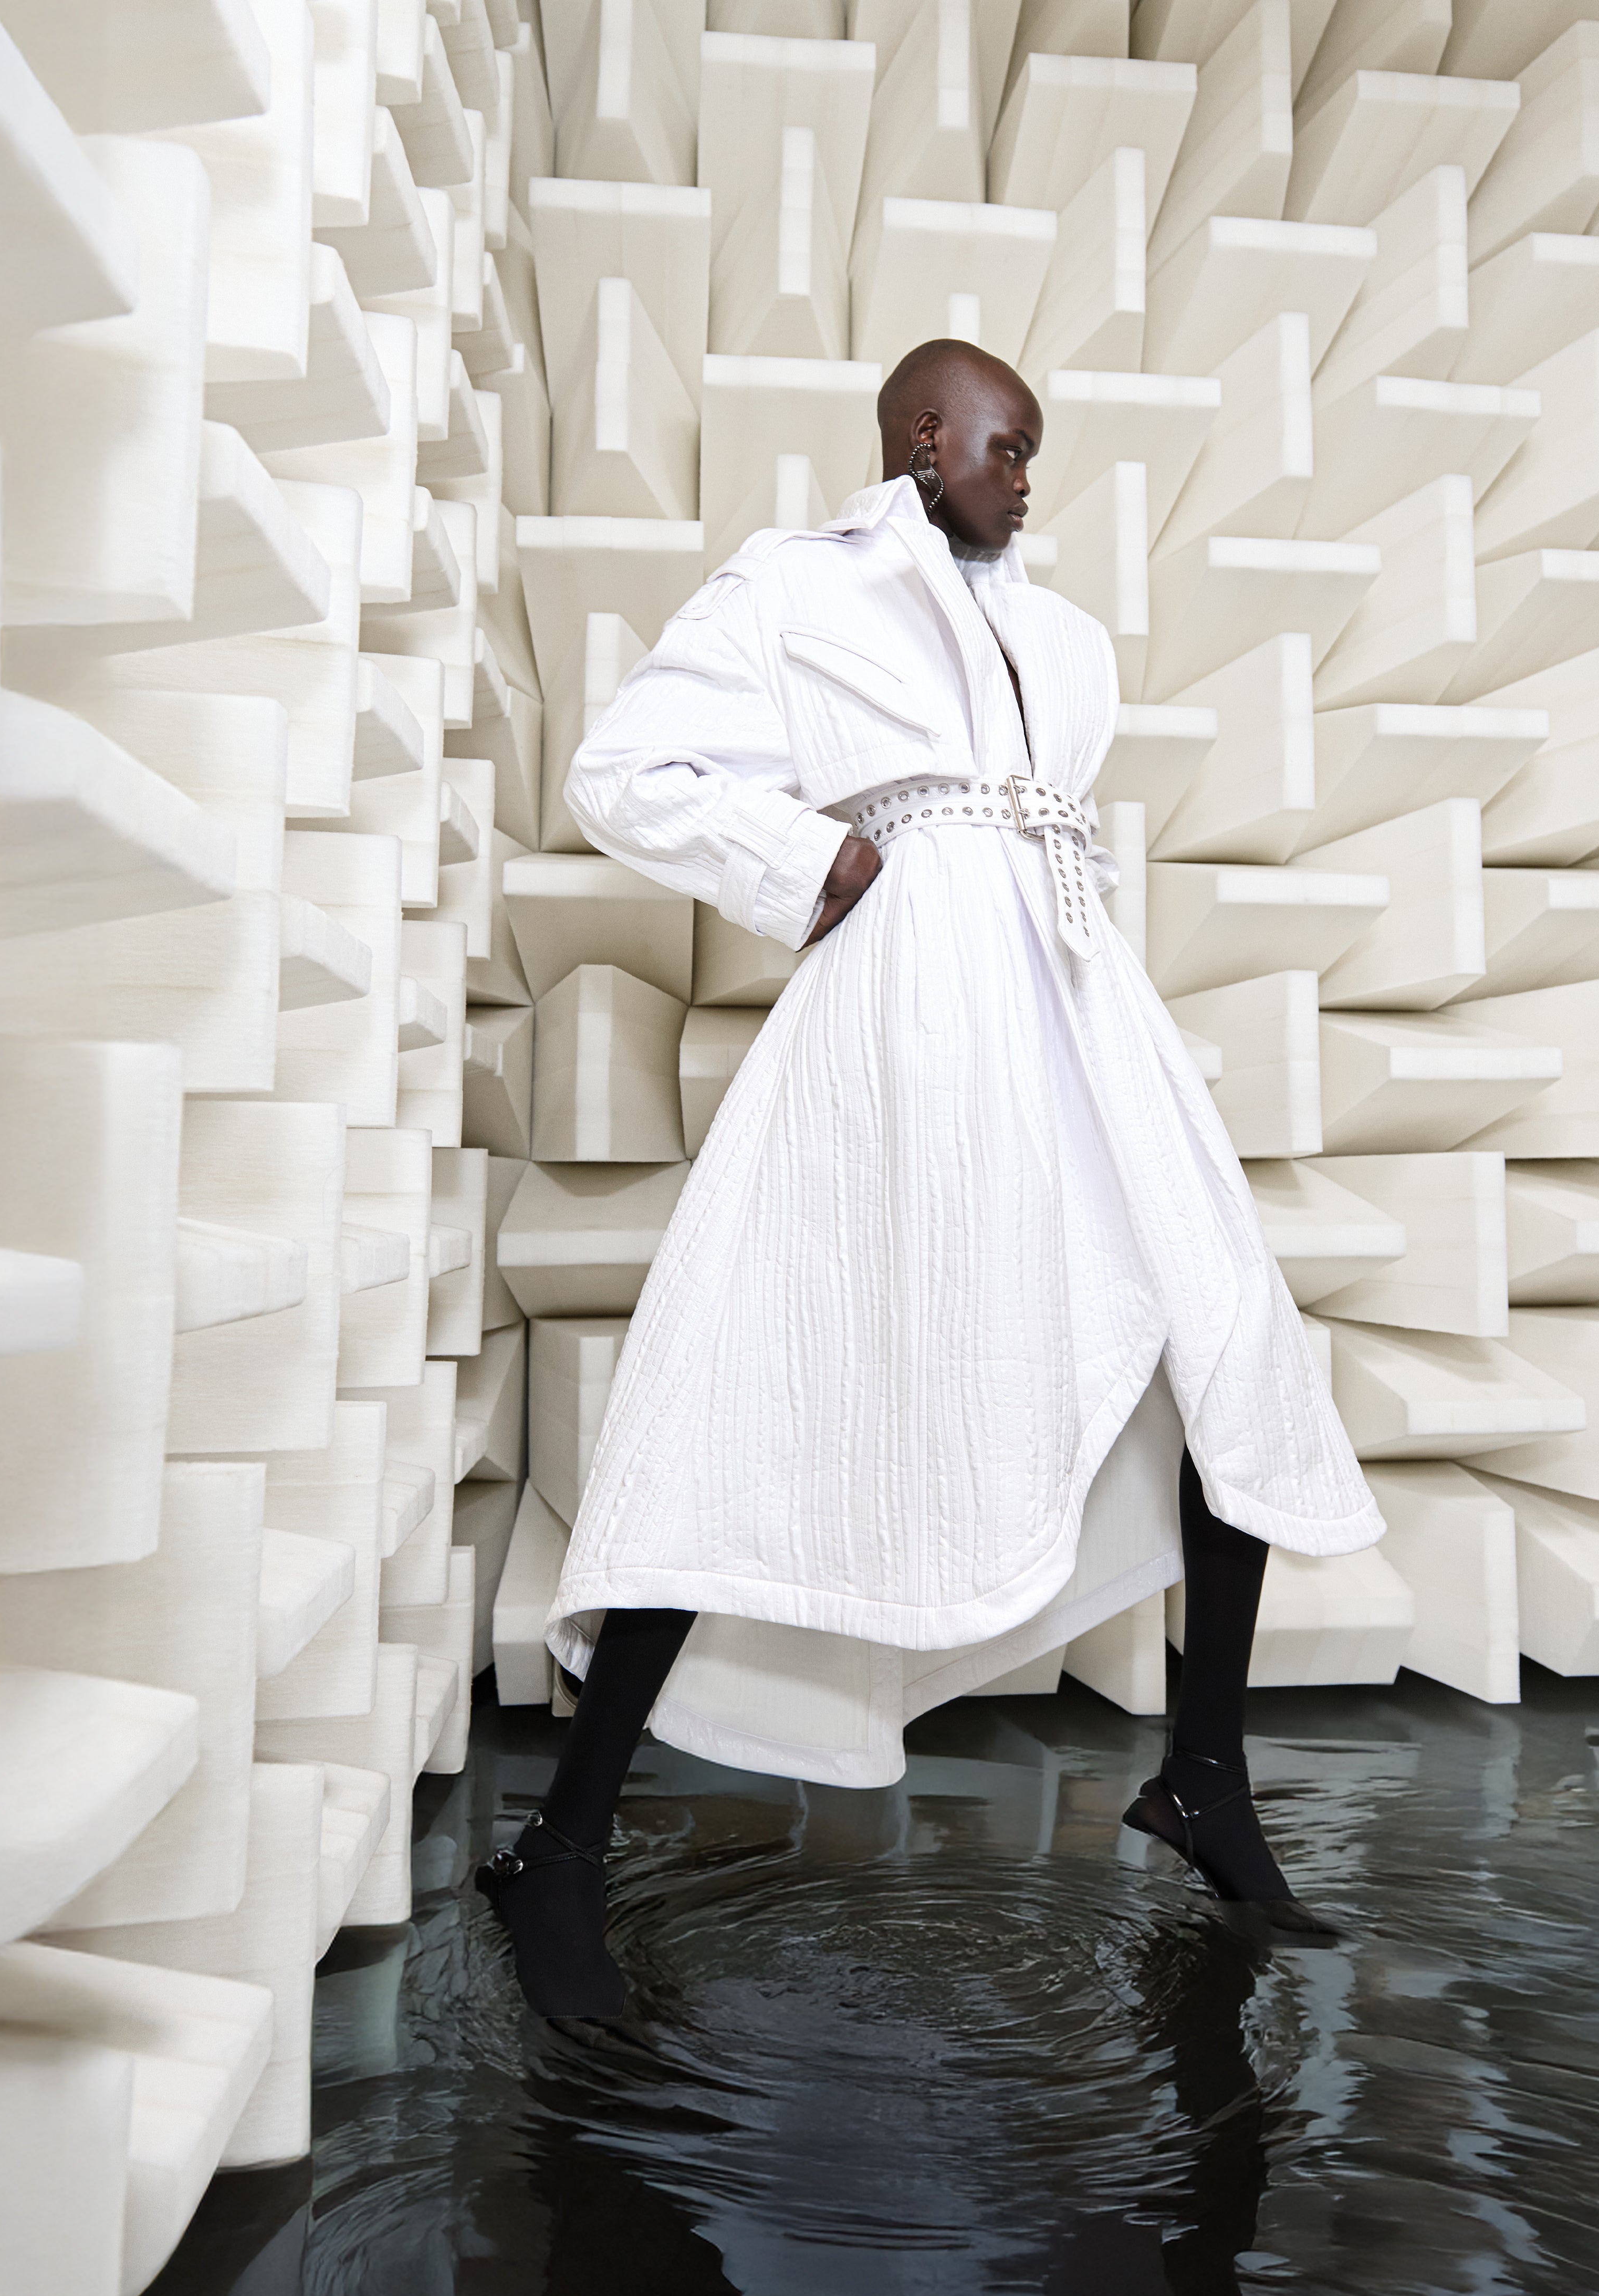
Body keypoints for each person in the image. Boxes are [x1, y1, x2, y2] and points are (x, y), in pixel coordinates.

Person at [478, 340, 1382, 2019]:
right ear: (922, 436)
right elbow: (624, 772)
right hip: (905, 1015)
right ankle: (566, 1847)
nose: (1026, 478)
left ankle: (1206, 1779)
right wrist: (811, 857)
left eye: (1033, 453)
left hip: (1076, 1003)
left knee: (1228, 1344)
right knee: (758, 1383)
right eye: (1005, 445)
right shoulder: (796, 585)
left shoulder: (1062, 635)